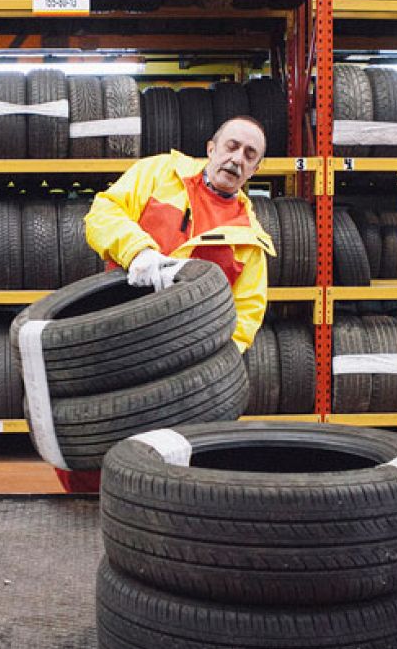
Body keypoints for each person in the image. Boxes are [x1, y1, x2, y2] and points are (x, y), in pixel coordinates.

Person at [62, 115, 275, 490]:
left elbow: (246, 316)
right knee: (96, 445)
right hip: (116, 335)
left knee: (172, 471)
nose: (237, 158)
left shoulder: (249, 241)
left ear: (255, 169)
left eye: (249, 154)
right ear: (211, 148)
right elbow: (102, 214)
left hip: (181, 371)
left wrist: (210, 368)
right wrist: (138, 251)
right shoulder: (159, 173)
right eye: (231, 146)